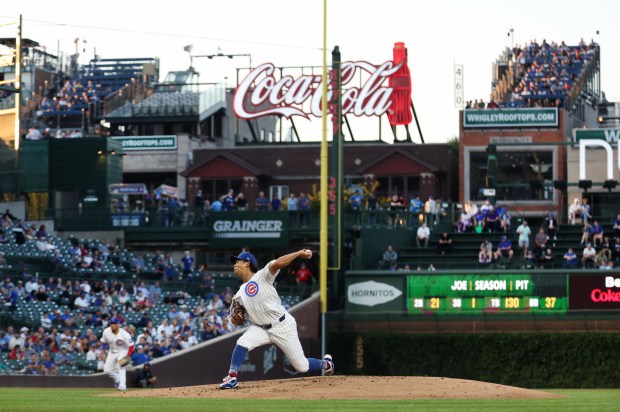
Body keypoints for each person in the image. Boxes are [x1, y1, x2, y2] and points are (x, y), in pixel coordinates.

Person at [219, 250, 334, 389]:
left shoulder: (262, 275)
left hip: (282, 324)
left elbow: (279, 263)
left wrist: (299, 253)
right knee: (242, 343)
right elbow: (234, 321)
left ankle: (326, 363)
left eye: (238, 261)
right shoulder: (238, 295)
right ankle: (232, 377)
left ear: (247, 263)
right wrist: (236, 319)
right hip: (260, 327)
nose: (235, 264)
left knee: (302, 366)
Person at [100, 316, 134, 391]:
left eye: (114, 323)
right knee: (106, 370)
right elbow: (103, 341)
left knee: (121, 365)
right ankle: (117, 379)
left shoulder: (125, 334)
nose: (112, 325)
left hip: (122, 350)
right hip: (112, 351)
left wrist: (128, 356)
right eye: (111, 323)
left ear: (118, 324)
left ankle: (122, 385)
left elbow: (131, 346)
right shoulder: (106, 331)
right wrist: (102, 351)